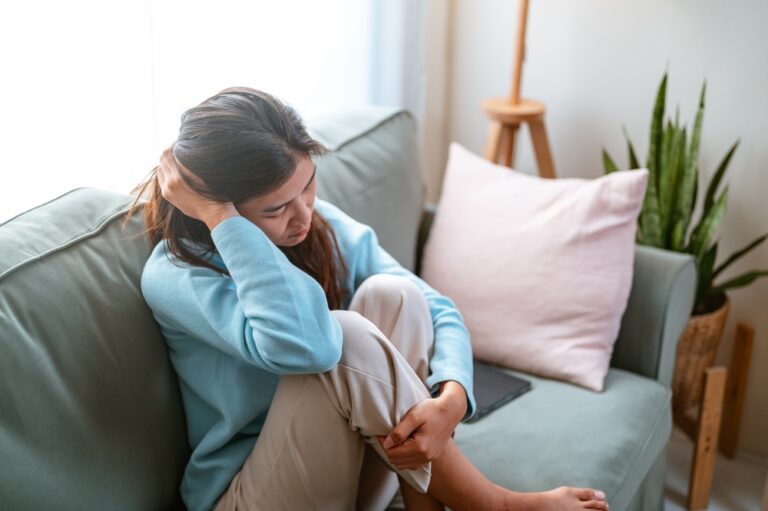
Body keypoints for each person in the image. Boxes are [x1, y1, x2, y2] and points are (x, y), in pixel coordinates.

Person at [126, 87, 609, 511]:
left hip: (356, 471)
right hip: (252, 494)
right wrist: (221, 220)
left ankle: (425, 501)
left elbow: (433, 306)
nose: (303, 216)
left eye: (308, 185)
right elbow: (307, 346)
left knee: (394, 296)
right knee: (345, 334)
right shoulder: (176, 275)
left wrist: (453, 401)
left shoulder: (318, 223)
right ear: (218, 209)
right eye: (275, 209)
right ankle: (493, 504)